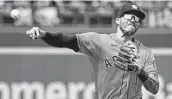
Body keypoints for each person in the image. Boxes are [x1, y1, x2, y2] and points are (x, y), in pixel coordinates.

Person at [26, 2, 159, 99]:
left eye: (137, 18)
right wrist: (45, 34)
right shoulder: (99, 41)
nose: (133, 20)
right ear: (118, 20)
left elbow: (154, 88)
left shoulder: (145, 53)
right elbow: (66, 40)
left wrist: (140, 71)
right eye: (129, 15)